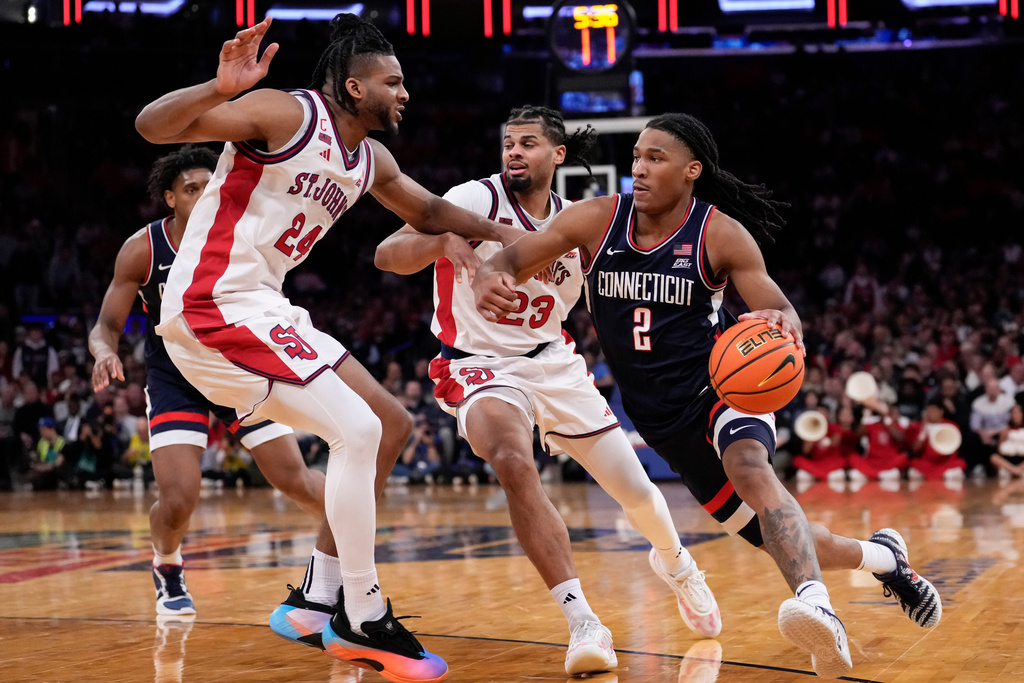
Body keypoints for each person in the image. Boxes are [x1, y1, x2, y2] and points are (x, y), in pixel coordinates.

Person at [474, 113, 943, 679]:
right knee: (767, 534)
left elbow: (780, 307)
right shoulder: (596, 220)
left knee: (751, 468)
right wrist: (491, 277)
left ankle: (817, 604)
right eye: (638, 157)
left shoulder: (718, 233)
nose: (639, 168)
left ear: (691, 170)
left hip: (722, 386)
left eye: (656, 158)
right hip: (662, 419)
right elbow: (509, 258)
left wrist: (781, 319)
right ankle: (884, 559)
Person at [135, 14, 517, 681]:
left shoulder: (370, 157)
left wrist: (507, 236)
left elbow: (427, 213)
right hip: (213, 303)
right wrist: (216, 88)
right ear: (352, 85)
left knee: (390, 422)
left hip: (266, 306)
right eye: (392, 82)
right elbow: (153, 125)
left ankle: (319, 595)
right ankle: (361, 615)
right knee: (359, 428)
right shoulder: (286, 114)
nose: (404, 94)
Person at [375, 106, 720, 676]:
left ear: (557, 155)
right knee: (513, 458)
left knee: (635, 490)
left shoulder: (582, 223)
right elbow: (387, 254)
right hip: (478, 364)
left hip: (554, 362)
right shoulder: (474, 199)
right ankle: (585, 621)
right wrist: (442, 245)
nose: (514, 152)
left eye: (528, 143)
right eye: (508, 142)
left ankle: (678, 563)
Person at [89, 146, 328, 617]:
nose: (202, 196)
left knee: (295, 480)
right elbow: (107, 325)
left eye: (208, 187)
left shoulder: (243, 239)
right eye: (191, 189)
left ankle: (349, 554)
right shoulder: (144, 248)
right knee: (179, 499)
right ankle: (167, 563)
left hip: (238, 368)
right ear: (170, 198)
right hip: (176, 375)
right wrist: (103, 352)